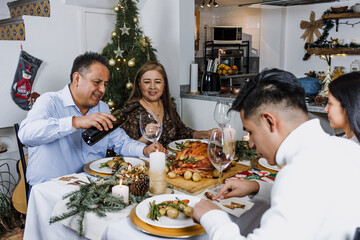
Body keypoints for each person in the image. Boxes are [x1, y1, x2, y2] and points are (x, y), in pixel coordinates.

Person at [192, 68, 360, 240]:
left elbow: (301, 187)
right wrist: (258, 187)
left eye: (251, 132)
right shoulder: (348, 150)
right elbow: (311, 201)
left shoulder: (298, 174)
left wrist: (213, 218)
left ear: (269, 122)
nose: (250, 143)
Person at [18, 52, 164, 186]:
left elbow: (121, 142)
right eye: (97, 82)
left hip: (91, 187)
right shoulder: (49, 101)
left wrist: (144, 150)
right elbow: (26, 135)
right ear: (77, 79)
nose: (103, 90)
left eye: (105, 84)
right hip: (50, 189)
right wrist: (76, 122)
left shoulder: (102, 108)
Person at [121, 61, 213, 146]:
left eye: (157, 82)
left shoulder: (167, 104)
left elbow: (181, 132)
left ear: (164, 84)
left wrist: (206, 133)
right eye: (147, 82)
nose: (152, 87)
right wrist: (145, 138)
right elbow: (124, 149)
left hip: (170, 160)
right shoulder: (130, 110)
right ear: (139, 84)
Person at [325, 71, 360, 144]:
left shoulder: (353, 150)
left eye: (330, 103)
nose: (326, 109)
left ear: (349, 106)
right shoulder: (346, 142)